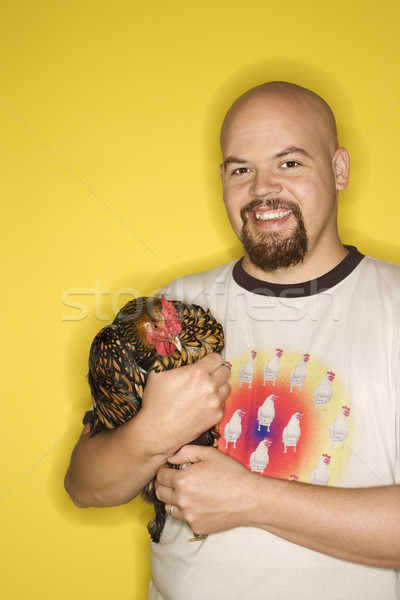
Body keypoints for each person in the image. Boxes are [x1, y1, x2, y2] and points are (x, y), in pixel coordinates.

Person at [65, 81, 400, 600]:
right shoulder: (172, 311)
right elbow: (85, 486)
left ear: (338, 170)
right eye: (241, 169)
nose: (262, 189)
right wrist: (149, 431)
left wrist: (250, 500)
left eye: (289, 163)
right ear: (222, 178)